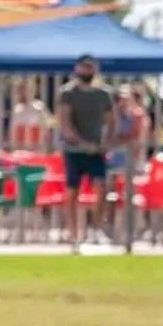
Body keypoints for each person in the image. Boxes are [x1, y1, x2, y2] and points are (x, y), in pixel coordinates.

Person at [57, 55, 114, 247]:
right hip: (73, 151)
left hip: (96, 151)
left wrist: (105, 142)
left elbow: (111, 121)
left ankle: (95, 229)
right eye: (84, 67)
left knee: (101, 187)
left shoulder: (103, 94)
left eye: (90, 67)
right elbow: (65, 124)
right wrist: (82, 143)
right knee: (72, 191)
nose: (87, 71)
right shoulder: (68, 93)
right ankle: (74, 234)